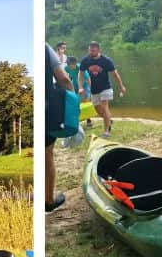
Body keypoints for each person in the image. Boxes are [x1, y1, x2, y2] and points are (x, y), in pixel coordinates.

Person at [45, 42, 74, 213]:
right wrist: (73, 103)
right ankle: (48, 201)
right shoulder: (45, 48)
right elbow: (63, 79)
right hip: (47, 111)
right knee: (47, 155)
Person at [78, 41, 127, 137]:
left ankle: (106, 131)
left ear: (98, 50)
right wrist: (80, 86)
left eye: (93, 50)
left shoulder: (106, 60)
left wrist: (121, 86)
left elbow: (115, 74)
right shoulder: (85, 60)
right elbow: (81, 74)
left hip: (105, 88)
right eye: (89, 50)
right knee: (97, 109)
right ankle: (108, 120)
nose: (91, 52)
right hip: (94, 89)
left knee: (104, 107)